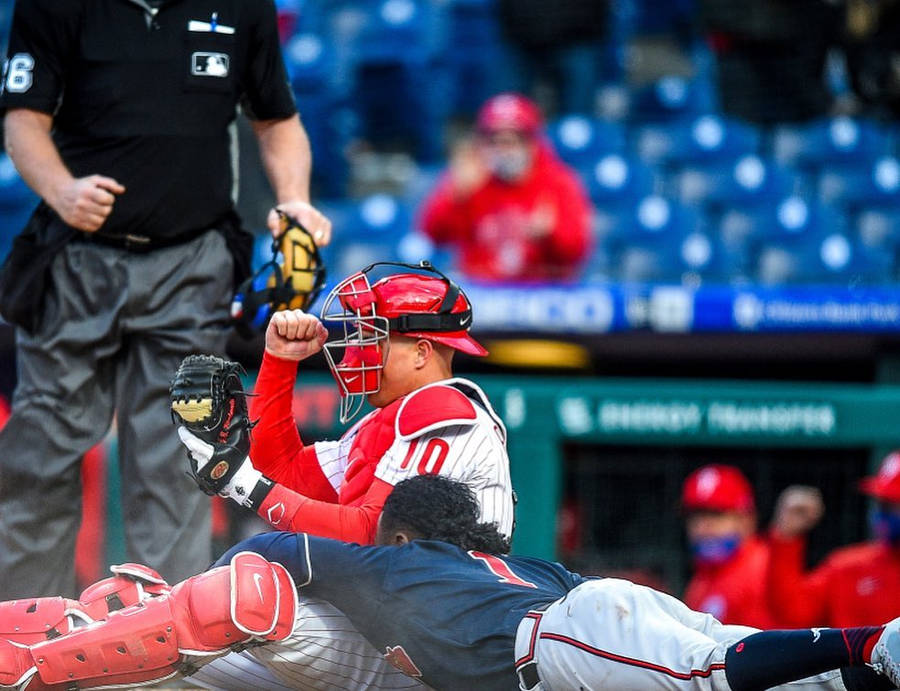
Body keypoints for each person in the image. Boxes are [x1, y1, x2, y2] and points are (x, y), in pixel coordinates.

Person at [0, 0, 332, 599]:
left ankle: (163, 656)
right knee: (39, 456)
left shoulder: (242, 6)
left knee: (181, 456)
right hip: (77, 259)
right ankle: (21, 638)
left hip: (194, 263)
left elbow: (277, 120)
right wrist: (61, 190)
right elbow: (23, 119)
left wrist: (295, 198)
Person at [3, 475, 900, 691]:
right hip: (584, 604)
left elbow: (274, 556)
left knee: (712, 676)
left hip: (555, 635)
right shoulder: (472, 560)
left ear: (403, 531)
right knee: (772, 676)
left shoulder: (395, 560)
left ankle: (875, 644)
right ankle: (869, 666)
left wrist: (179, 595)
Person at [175, 261, 515, 689]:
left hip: (444, 647)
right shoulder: (387, 418)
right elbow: (282, 472)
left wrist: (244, 484)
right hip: (398, 625)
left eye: (372, 338)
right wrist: (280, 362)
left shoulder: (446, 411)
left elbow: (372, 536)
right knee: (173, 640)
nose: (355, 353)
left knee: (223, 615)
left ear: (423, 351)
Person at [419, 93, 591, 282]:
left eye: (512, 141)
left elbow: (577, 251)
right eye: (495, 141)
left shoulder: (559, 181)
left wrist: (550, 234)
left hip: (541, 291)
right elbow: (433, 234)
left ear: (531, 143)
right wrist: (455, 195)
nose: (503, 150)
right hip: (483, 293)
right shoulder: (471, 177)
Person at [766, 451, 900, 628]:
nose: (883, 513)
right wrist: (786, 539)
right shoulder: (848, 567)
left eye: (893, 504)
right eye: (882, 503)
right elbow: (796, 614)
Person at [681, 464, 777, 628]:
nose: (702, 526)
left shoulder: (766, 569)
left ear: (746, 519)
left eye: (716, 514)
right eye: (695, 516)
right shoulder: (701, 579)